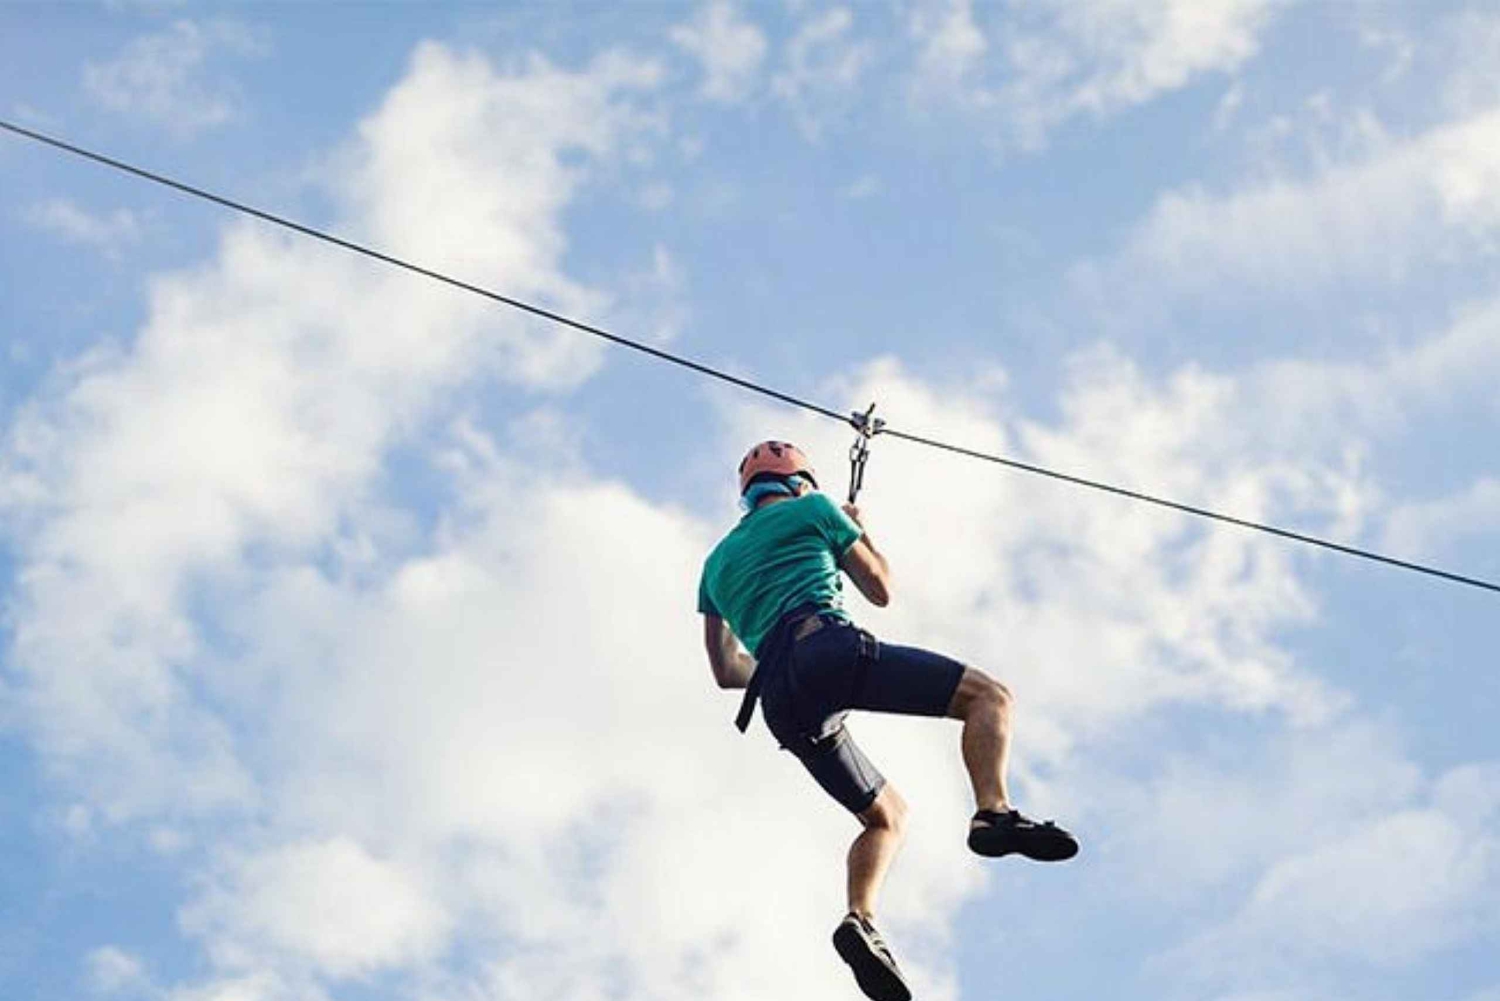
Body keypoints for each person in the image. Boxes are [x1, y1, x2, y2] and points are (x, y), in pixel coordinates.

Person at [699, 440, 1078, 1001]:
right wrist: (858, 530)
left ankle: (861, 919)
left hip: (779, 700)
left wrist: (785, 659)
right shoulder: (815, 509)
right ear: (799, 483)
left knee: (887, 816)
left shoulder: (714, 565)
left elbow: (725, 671)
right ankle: (993, 813)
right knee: (989, 698)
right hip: (827, 646)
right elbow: (880, 589)